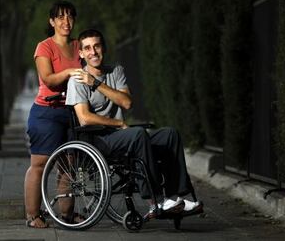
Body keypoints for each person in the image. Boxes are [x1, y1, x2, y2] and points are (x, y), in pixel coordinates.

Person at [65, 29, 203, 219]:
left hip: (121, 135)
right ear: (81, 53)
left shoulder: (116, 71)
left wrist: (96, 84)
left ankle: (174, 197)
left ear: (103, 47)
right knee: (138, 135)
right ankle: (156, 201)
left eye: (96, 46)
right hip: (97, 139)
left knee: (170, 134)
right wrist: (118, 123)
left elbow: (127, 102)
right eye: (87, 48)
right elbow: (85, 118)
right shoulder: (77, 80)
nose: (93, 52)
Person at [24, 0, 84, 228]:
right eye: (60, 17)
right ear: (52, 21)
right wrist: (71, 71)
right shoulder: (44, 47)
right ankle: (32, 215)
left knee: (69, 165)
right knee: (40, 163)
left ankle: (67, 215)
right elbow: (48, 79)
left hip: (73, 112)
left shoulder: (79, 46)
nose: (66, 21)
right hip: (46, 113)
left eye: (70, 16)